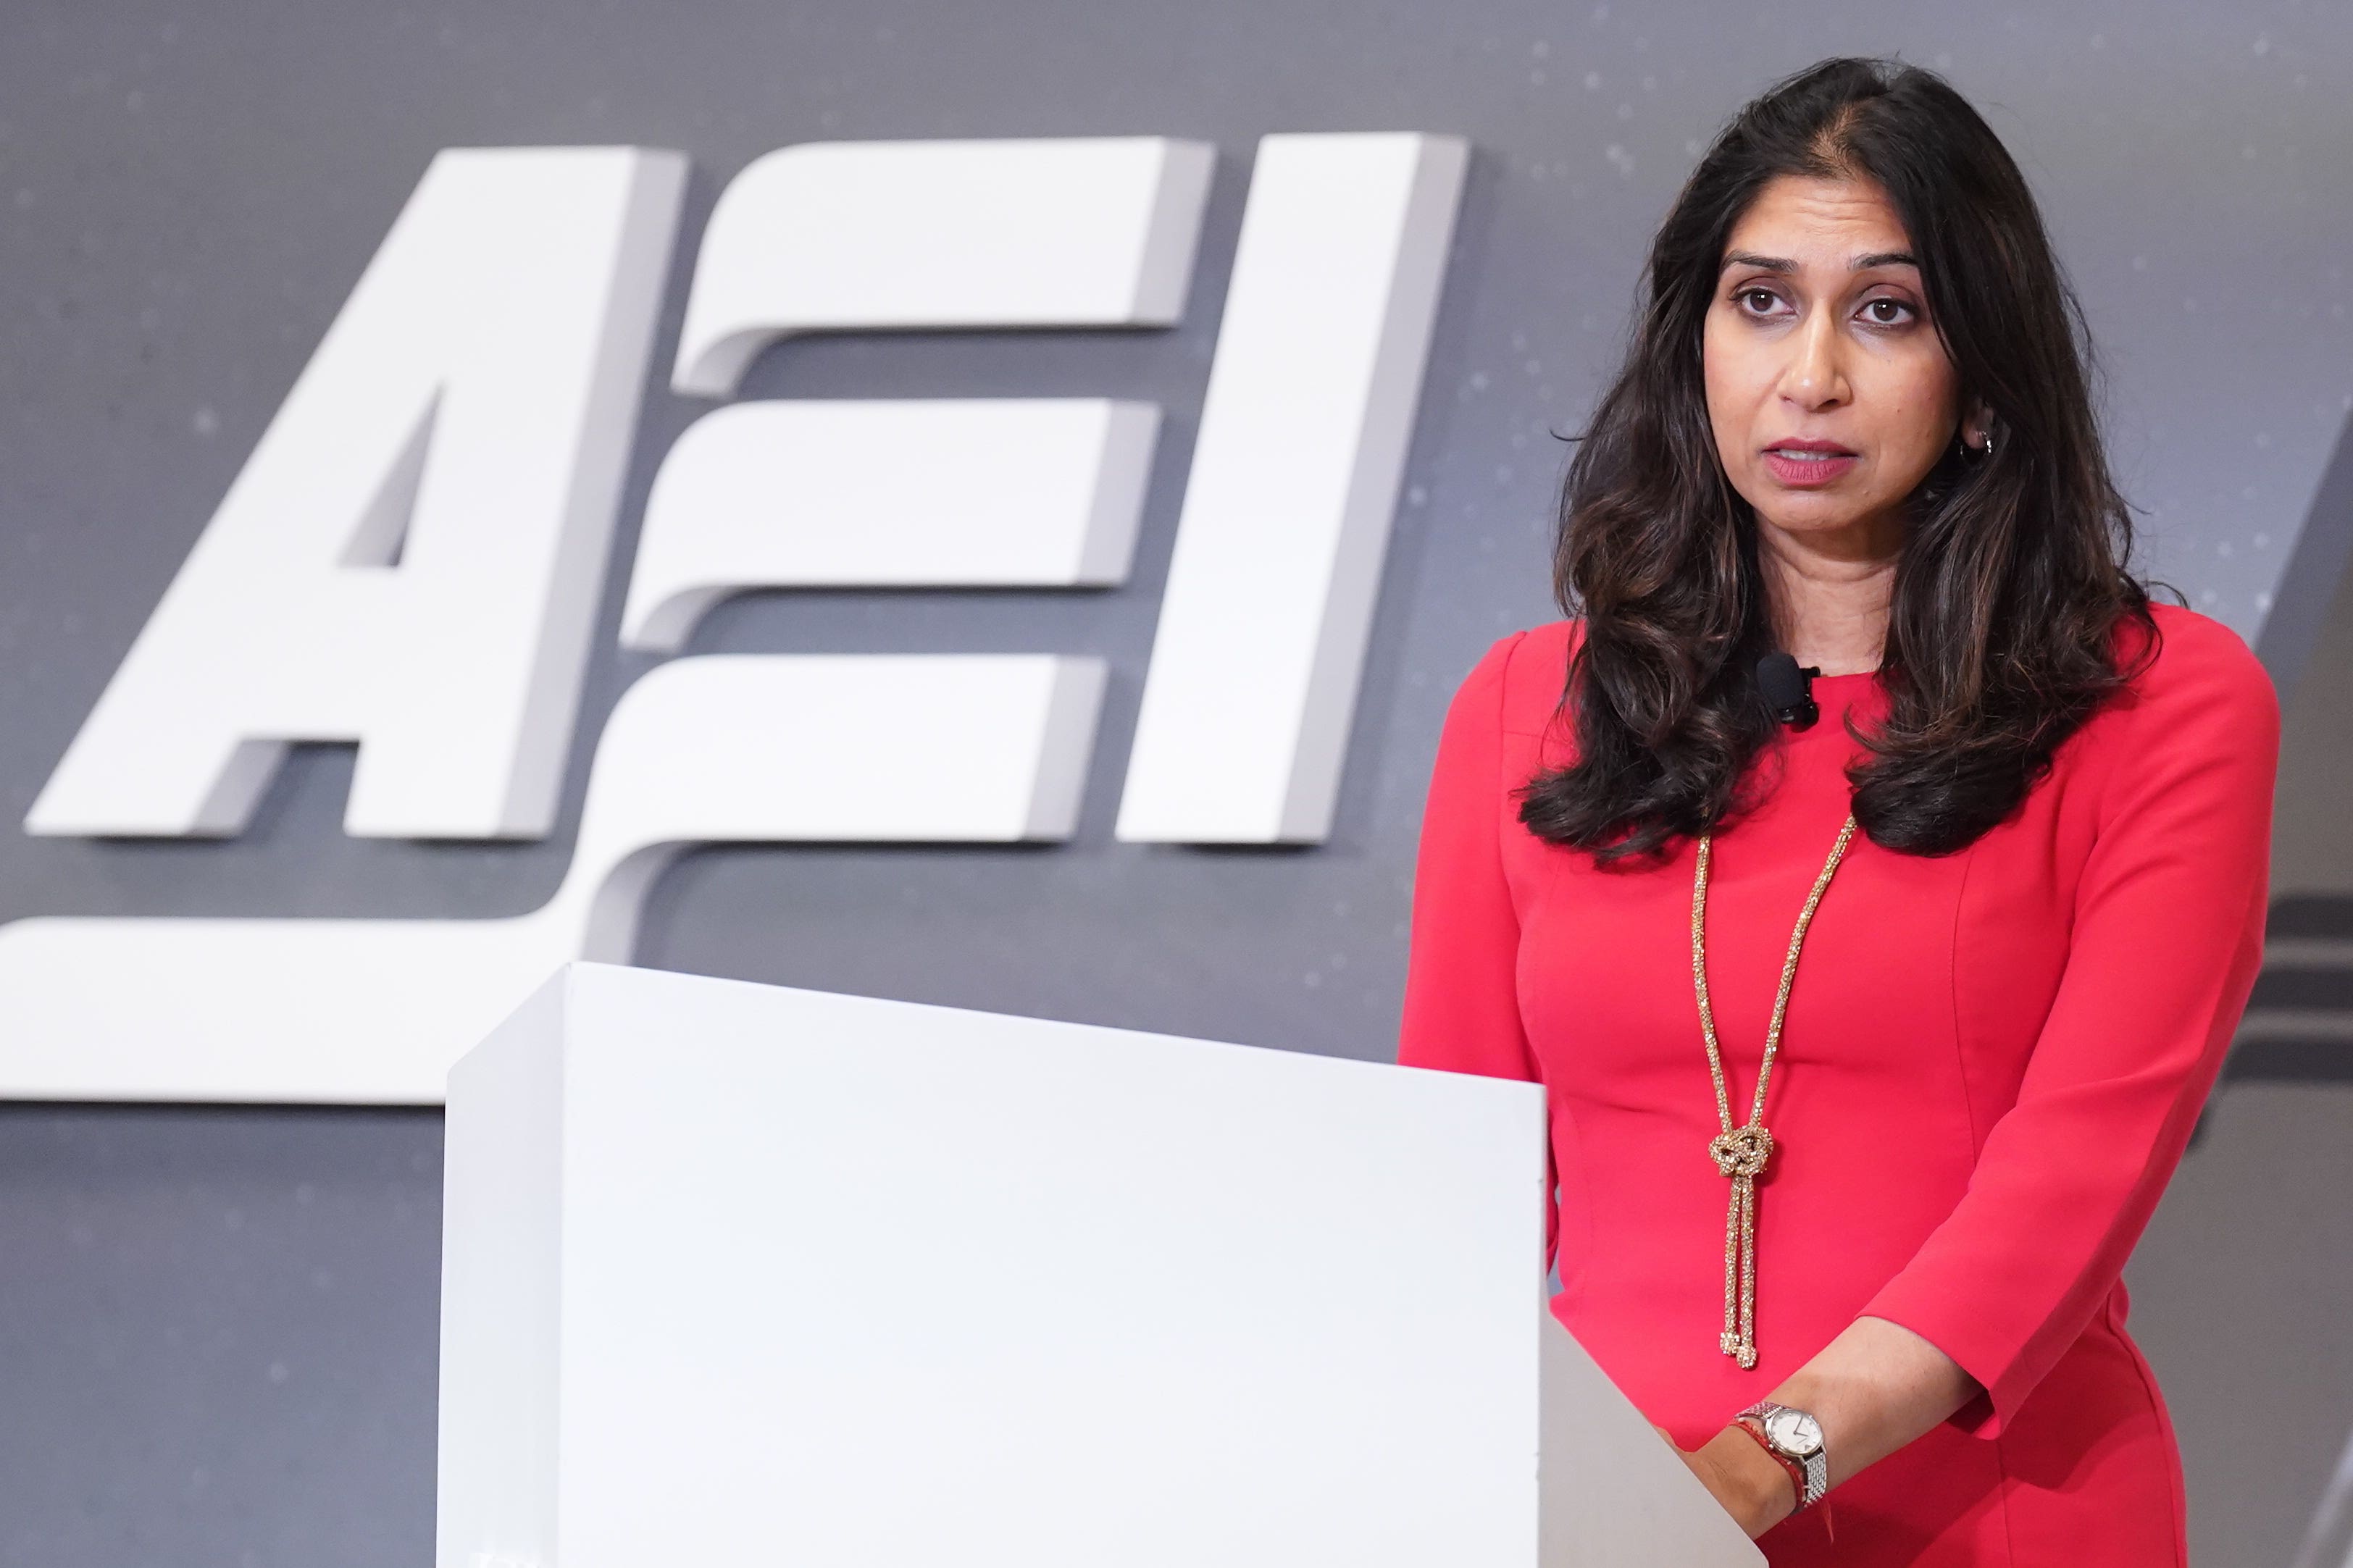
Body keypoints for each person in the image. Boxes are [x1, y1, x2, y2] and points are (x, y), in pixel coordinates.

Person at [1396, 55, 2278, 1567]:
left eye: (1886, 310)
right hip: (1600, 1527)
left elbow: (2073, 1180)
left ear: (1985, 372)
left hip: (1991, 1520)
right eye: (1759, 302)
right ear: (1693, 349)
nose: (1809, 374)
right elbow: (1443, 1190)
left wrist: (1762, 1463)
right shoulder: (1521, 704)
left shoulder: (2161, 706)